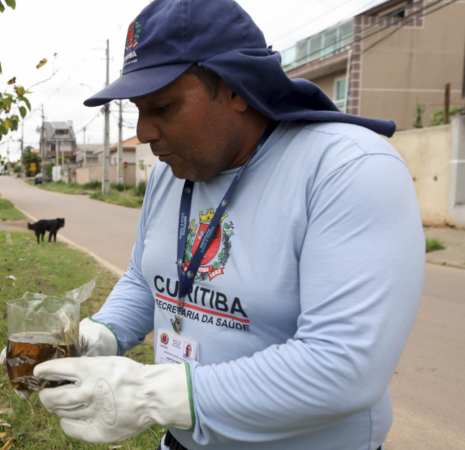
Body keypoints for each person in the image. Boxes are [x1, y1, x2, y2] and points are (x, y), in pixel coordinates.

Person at [21, 1, 424, 450]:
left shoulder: (348, 168)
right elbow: (147, 277)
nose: (144, 130)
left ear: (237, 87)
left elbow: (345, 366)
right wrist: (100, 334)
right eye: (138, 108)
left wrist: (156, 396)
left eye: (163, 106)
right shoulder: (168, 174)